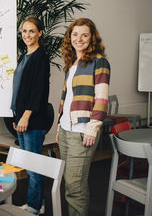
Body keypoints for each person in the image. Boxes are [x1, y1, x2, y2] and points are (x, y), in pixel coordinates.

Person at [57, 18, 110, 216]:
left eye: (84, 35)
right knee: (70, 183)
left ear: (92, 38)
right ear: (70, 37)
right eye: (75, 34)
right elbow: (67, 97)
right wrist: (59, 126)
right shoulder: (72, 63)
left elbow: (102, 98)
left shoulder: (99, 62)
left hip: (82, 131)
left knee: (75, 186)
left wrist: (93, 126)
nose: (79, 39)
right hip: (65, 130)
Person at [11, 17, 50, 215]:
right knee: (27, 164)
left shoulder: (41, 57)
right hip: (21, 117)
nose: (27, 35)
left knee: (34, 166)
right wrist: (16, 115)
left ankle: (35, 206)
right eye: (24, 31)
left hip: (33, 120)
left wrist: (25, 116)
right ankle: (35, 202)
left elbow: (38, 91)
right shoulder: (24, 56)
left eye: (32, 31)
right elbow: (19, 89)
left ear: (40, 33)